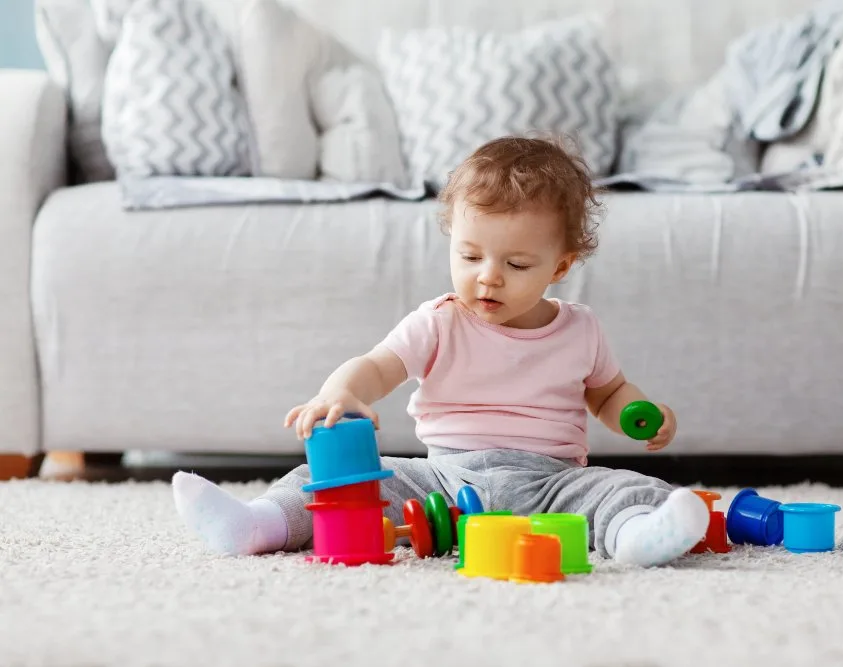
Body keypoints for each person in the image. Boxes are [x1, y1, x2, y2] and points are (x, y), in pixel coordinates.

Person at [172, 136, 709, 567]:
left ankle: (637, 537)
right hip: (443, 480)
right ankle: (258, 524)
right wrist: (342, 392)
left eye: (516, 265)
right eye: (469, 255)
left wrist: (642, 415)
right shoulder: (440, 321)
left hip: (551, 483)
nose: (488, 278)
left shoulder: (581, 329)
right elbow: (379, 365)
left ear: (560, 267)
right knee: (345, 483)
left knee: (624, 488)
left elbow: (609, 392)